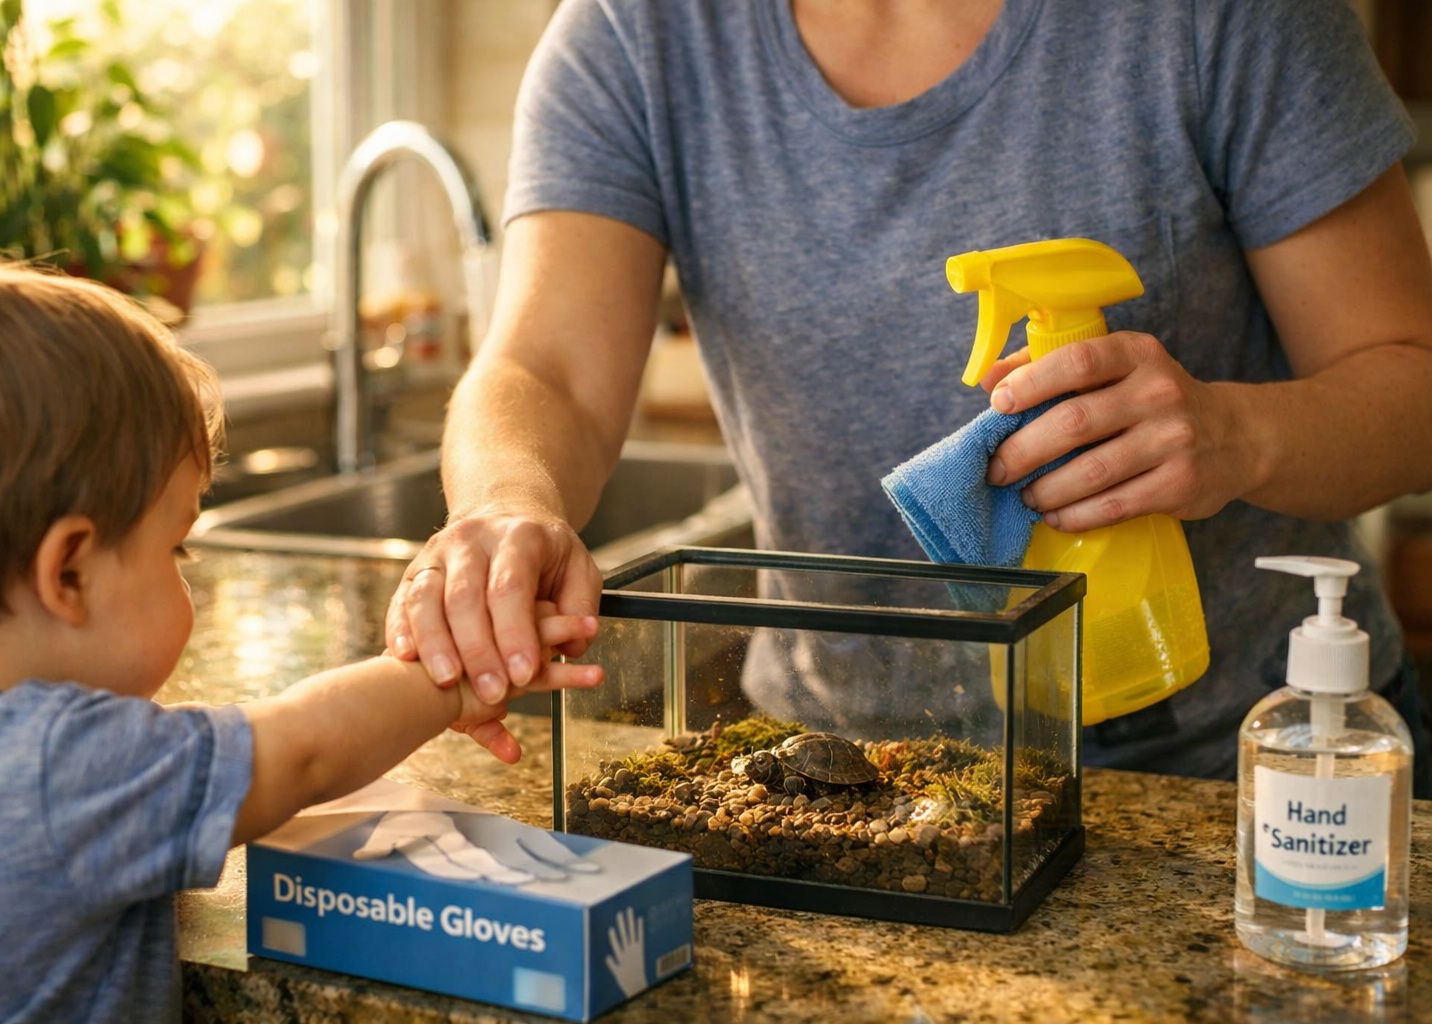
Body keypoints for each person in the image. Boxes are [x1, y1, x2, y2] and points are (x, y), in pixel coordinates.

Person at [386, 0, 1432, 791]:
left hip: (1264, 772)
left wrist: (1235, 435)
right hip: (838, 773)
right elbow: (547, 372)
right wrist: (505, 503)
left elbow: (1411, 379)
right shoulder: (638, 32)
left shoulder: (1218, 18)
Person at [0, 260, 602, 1023]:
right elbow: (303, 750)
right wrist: (452, 678)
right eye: (176, 548)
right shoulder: (59, 770)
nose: (184, 576)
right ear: (66, 574)